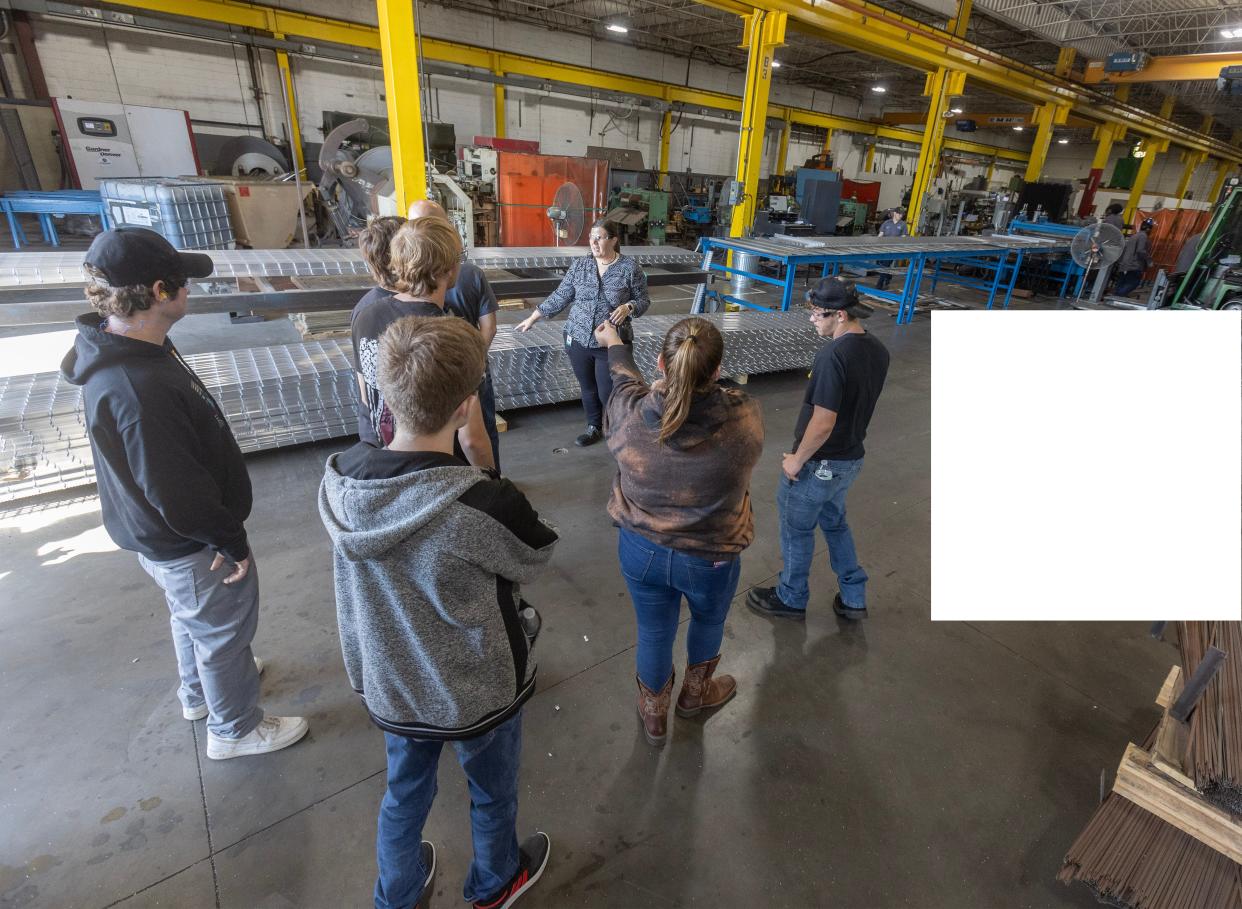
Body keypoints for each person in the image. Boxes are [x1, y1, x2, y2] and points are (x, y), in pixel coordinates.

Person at [319, 315, 557, 909]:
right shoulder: (482, 501)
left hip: (393, 682)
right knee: (492, 791)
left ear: (385, 393)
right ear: (465, 407)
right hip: (477, 688)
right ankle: (494, 882)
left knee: (403, 793)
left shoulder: (341, 483)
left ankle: (396, 896)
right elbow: (537, 552)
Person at [60, 227, 309, 760]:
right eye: (183, 284)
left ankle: (201, 692)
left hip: (159, 536)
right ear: (158, 291)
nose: (190, 291)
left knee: (192, 617)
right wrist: (229, 540)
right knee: (221, 628)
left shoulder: (136, 349)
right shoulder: (135, 386)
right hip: (187, 540)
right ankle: (235, 727)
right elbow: (176, 492)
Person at [593, 316, 763, 745]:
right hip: (711, 554)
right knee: (708, 620)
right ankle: (693, 697)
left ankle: (655, 717)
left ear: (660, 365)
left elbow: (623, 382)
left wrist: (614, 343)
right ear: (718, 371)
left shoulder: (629, 414)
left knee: (653, 631)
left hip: (641, 549)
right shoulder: (742, 416)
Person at [747, 277, 890, 623]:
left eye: (817, 314)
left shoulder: (833, 356)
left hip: (821, 466)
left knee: (796, 529)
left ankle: (791, 597)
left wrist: (797, 460)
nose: (812, 320)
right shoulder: (877, 349)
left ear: (840, 315)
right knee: (836, 524)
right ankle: (854, 596)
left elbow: (824, 422)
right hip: (850, 460)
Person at [351, 216, 495, 470]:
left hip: (384, 458)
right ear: (450, 267)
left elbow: (365, 394)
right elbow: (471, 440)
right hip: (441, 472)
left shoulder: (366, 315)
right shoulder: (455, 338)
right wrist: (491, 480)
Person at [514, 220, 651, 447]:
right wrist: (533, 318)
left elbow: (643, 300)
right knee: (588, 387)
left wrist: (629, 308)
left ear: (614, 240)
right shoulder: (580, 265)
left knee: (609, 390)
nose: (594, 242)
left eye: (600, 237)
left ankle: (616, 429)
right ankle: (593, 426)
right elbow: (561, 295)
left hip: (610, 342)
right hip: (577, 337)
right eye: (591, 237)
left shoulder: (629, 268)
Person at [408, 199, 503, 470]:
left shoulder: (405, 281)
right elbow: (489, 327)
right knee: (480, 431)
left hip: (431, 373)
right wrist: (473, 365)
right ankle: (489, 484)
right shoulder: (470, 274)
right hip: (470, 372)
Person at [352, 215, 406, 432]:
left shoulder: (365, 307)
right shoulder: (398, 311)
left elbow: (364, 384)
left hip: (377, 427)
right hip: (399, 433)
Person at [1114, 217, 1155, 297]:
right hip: (1134, 265)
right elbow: (1140, 250)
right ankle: (1118, 296)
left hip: (1125, 264)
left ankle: (1116, 296)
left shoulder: (1134, 236)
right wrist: (1149, 261)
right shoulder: (1143, 236)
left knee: (1122, 282)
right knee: (1133, 283)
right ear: (1148, 229)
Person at [874, 208, 908, 291]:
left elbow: (904, 237)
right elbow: (880, 234)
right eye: (899, 214)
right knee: (880, 263)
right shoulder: (886, 223)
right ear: (895, 213)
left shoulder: (903, 225)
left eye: (902, 214)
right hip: (883, 248)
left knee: (885, 265)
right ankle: (889, 276)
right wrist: (874, 244)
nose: (901, 216)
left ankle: (879, 285)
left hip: (893, 249)